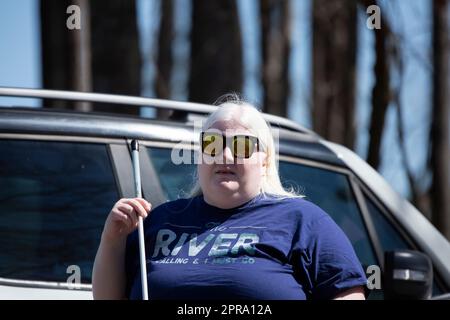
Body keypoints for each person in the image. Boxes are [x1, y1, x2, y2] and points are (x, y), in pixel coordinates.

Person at [92, 97, 367, 300]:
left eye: (242, 145)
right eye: (212, 144)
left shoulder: (304, 221)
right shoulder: (158, 220)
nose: (224, 156)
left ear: (265, 159)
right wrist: (112, 238)